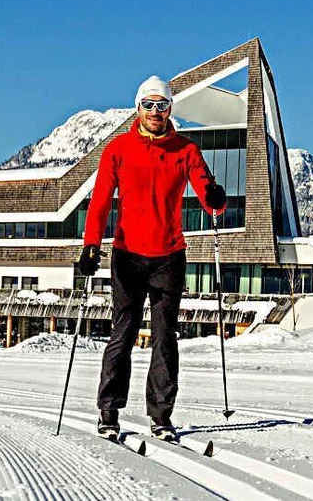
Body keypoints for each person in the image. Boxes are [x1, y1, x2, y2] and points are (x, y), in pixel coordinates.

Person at [78, 75, 228, 443]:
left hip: (169, 256)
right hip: (127, 255)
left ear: (170, 109)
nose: (156, 111)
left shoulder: (186, 150)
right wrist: (90, 245)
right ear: (138, 107)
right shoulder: (118, 149)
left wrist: (215, 196)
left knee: (165, 337)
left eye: (162, 105)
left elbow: (211, 200)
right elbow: (100, 203)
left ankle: (161, 416)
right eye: (149, 104)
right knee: (123, 332)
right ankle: (109, 411)